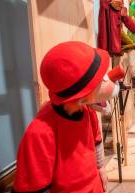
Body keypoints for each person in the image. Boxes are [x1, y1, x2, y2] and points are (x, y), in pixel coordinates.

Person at [12, 42, 125, 192]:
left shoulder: (87, 111)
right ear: (81, 97)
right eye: (101, 79)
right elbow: (33, 184)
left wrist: (101, 168)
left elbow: (97, 141)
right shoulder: (40, 133)